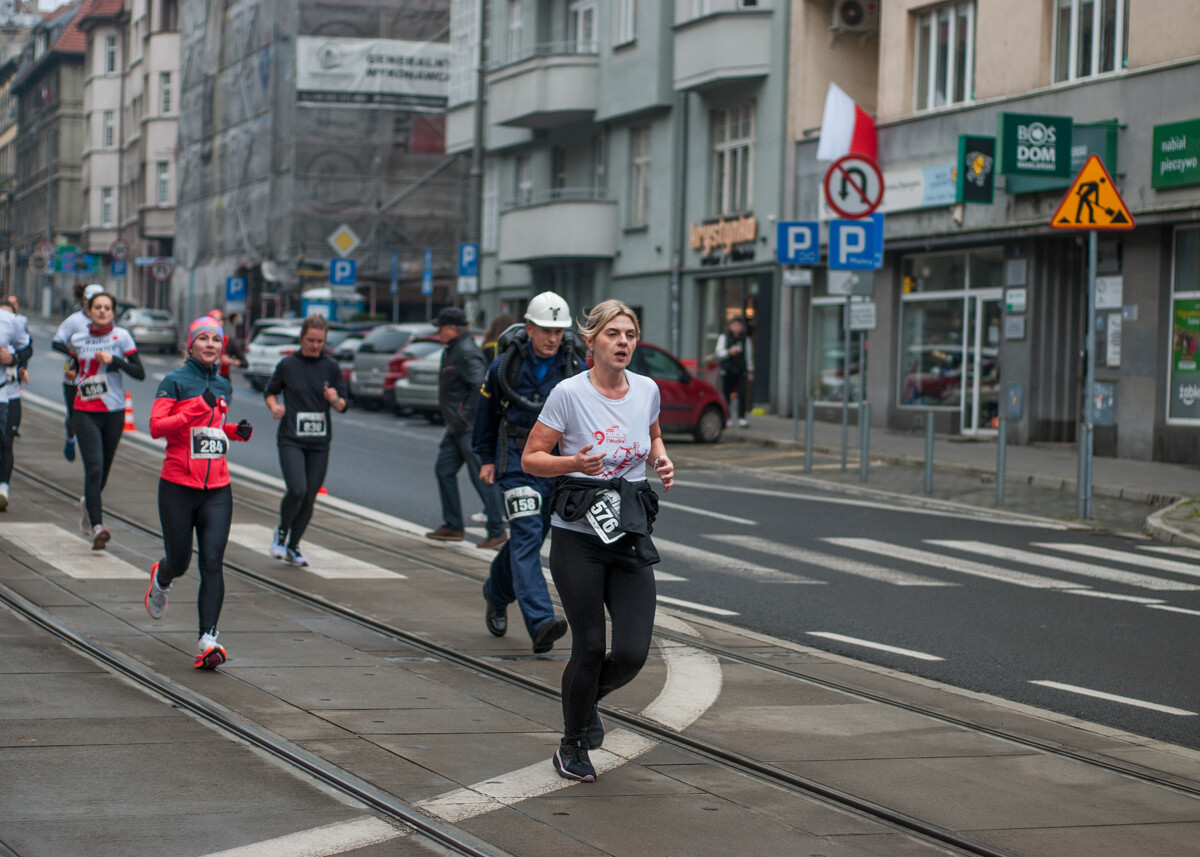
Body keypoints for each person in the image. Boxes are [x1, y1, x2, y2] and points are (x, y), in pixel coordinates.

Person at [522, 299, 674, 783]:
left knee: (631, 653)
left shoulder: (647, 389)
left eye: (630, 333)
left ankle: (584, 704)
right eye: (613, 334)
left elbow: (651, 436)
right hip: (578, 539)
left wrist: (661, 460)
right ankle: (571, 745)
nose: (624, 342)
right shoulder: (568, 395)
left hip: (627, 532)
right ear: (591, 342)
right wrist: (573, 463)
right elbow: (531, 458)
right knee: (589, 647)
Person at [473, 293, 582, 654]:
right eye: (546, 330)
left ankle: (495, 592)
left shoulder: (573, 367)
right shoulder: (503, 367)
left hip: (556, 465)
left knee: (531, 539)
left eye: (558, 331)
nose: (553, 338)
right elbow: (485, 418)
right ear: (530, 327)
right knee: (525, 534)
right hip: (517, 462)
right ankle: (540, 622)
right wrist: (486, 459)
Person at [145, 317, 253, 669]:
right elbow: (157, 427)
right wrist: (196, 405)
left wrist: (236, 431)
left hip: (217, 488)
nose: (210, 345)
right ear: (189, 345)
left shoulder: (223, 384)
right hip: (177, 484)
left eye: (216, 340)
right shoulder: (174, 381)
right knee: (180, 560)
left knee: (212, 563)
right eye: (203, 339)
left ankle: (208, 639)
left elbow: (213, 430)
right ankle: (162, 577)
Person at [263, 314, 348, 566]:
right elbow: (270, 391)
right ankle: (281, 531)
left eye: (320, 341)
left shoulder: (331, 367)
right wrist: (274, 407)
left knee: (310, 495)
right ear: (302, 338)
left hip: (319, 442)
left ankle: (294, 546)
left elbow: (343, 405)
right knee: (297, 489)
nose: (315, 345)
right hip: (292, 437)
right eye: (311, 340)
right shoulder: (289, 364)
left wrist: (334, 399)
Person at [69, 290, 145, 549]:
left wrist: (116, 360)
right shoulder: (78, 338)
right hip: (84, 410)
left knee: (104, 471)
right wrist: (70, 376)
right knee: (94, 467)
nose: (102, 311)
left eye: (107, 308)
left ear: (113, 313)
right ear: (89, 311)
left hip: (113, 412)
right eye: (97, 307)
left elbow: (139, 372)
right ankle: (97, 526)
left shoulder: (121, 337)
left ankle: (88, 505)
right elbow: (72, 368)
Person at [425, 306, 506, 546]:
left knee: (482, 475)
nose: (438, 332)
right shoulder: (453, 349)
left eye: (440, 327)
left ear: (452, 328)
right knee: (444, 470)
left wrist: (466, 417)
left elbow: (480, 386)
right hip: (457, 427)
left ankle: (496, 530)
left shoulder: (466, 351)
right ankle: (453, 526)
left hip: (468, 427)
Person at [52, 283, 105, 461]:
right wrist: (75, 353)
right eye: (91, 302)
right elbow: (56, 342)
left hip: (97, 378)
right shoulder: (74, 321)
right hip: (74, 376)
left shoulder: (107, 323)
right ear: (84, 302)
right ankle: (70, 438)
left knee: (95, 414)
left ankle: (92, 447)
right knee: (74, 415)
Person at [0, 294, 33, 512]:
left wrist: (15, 361)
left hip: (8, 393)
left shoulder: (15, 324)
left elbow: (27, 350)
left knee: (5, 441)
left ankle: (3, 488)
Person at [714, 316, 754, 428]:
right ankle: (728, 417)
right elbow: (718, 353)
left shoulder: (745, 339)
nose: (736, 327)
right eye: (734, 325)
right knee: (726, 394)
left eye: (739, 325)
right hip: (727, 370)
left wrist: (750, 370)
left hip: (740, 370)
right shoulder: (724, 337)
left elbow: (749, 356)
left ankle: (742, 417)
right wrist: (728, 352)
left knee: (742, 394)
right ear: (730, 326)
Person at [210, 309, 247, 378]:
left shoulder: (229, 341)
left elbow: (245, 363)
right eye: (214, 320)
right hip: (205, 380)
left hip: (223, 380)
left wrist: (231, 361)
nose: (218, 322)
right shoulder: (201, 341)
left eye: (220, 320)